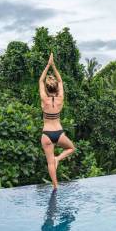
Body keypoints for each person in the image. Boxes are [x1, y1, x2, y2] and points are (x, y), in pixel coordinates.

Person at [39, 53, 75, 189]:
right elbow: (60, 81)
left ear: (47, 89)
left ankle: (55, 186)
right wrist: (54, 66)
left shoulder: (44, 99)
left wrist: (48, 65)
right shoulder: (60, 99)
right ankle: (58, 158)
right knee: (71, 148)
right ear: (56, 88)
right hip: (59, 133)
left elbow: (40, 81)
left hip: (47, 134)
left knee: (50, 163)